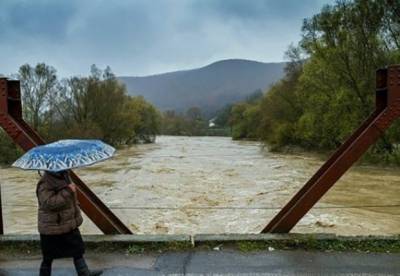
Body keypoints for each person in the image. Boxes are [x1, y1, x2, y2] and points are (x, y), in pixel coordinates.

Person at [36, 170, 102, 276]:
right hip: (52, 226)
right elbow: (48, 203)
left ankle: (84, 273)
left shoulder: (64, 175)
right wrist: (68, 191)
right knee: (48, 257)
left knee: (77, 250)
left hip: (68, 222)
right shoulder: (45, 183)